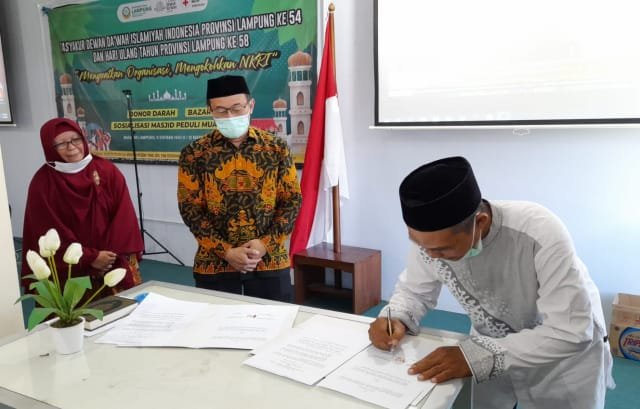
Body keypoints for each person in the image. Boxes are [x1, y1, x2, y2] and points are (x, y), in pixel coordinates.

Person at [368, 156, 614, 409]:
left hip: (559, 357)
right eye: (420, 245)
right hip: (490, 339)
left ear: (480, 222)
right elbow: (414, 291)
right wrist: (394, 316)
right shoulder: (430, 240)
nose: (430, 256)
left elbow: (570, 331)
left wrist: (475, 357)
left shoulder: (538, 231)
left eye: (442, 249)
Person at [177, 75, 301, 302]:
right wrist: (226, 251)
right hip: (215, 263)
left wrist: (265, 244)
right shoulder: (194, 153)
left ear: (250, 106)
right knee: (215, 321)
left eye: (236, 108)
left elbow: (291, 200)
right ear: (210, 110)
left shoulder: (276, 148)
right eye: (221, 110)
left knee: (273, 320)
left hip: (268, 260)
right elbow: (190, 209)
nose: (230, 116)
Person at [21, 117, 144, 299]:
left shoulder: (107, 171)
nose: (71, 147)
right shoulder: (42, 184)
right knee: (78, 315)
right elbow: (47, 232)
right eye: (61, 144)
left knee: (121, 311)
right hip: (70, 271)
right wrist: (90, 258)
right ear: (49, 147)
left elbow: (124, 219)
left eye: (75, 139)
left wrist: (108, 259)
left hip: (112, 261)